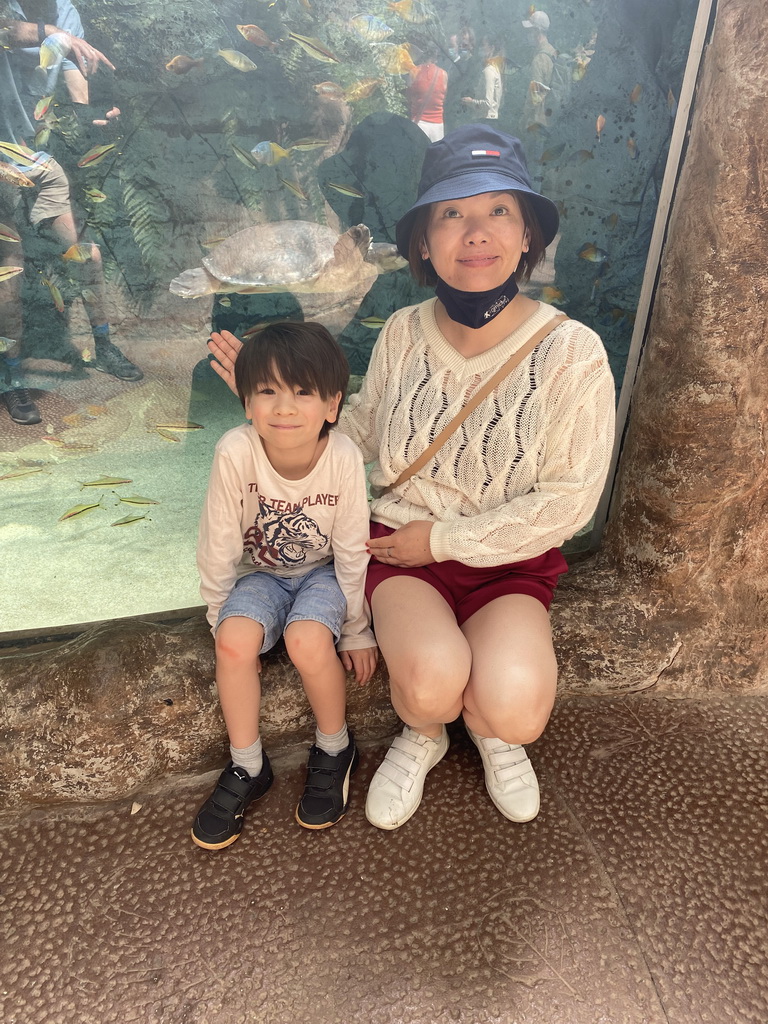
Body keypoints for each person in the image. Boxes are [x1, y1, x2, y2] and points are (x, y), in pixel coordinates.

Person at [207, 124, 616, 832]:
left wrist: (447, 540)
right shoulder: (400, 329)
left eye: (498, 212)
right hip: (401, 553)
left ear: (528, 237)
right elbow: (364, 427)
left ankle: (489, 734)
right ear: (424, 243)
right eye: (451, 213)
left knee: (517, 710)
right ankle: (422, 735)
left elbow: (569, 500)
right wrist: (287, 400)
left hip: (505, 563)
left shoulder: (573, 352)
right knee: (428, 688)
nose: (476, 231)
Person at [192, 321, 378, 849]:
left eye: (302, 392)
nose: (285, 407)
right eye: (267, 391)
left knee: (307, 640)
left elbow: (350, 547)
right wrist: (219, 619)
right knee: (233, 642)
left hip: (320, 574)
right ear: (246, 402)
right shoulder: (235, 451)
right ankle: (248, 765)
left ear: (332, 404)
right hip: (261, 575)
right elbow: (219, 541)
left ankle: (335, 746)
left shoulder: (341, 457)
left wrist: (357, 629)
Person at [0, 0, 141, 427]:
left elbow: (72, 68)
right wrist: (52, 35)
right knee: (10, 268)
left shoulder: (66, 10)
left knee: (84, 255)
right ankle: (12, 374)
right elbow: (6, 30)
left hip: (39, 154)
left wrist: (89, 116)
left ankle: (103, 344)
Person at [522, 10, 557, 127]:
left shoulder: (539, 59)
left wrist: (523, 119)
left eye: (530, 30)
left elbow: (534, 97)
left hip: (537, 121)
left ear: (537, 31)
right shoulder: (552, 51)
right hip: (550, 119)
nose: (527, 34)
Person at [408, 43, 448, 142]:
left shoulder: (414, 72)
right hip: (437, 125)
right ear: (435, 57)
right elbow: (444, 97)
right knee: (436, 155)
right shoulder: (444, 74)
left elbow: (409, 97)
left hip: (418, 122)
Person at [461, 36, 504, 123]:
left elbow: (488, 104)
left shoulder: (489, 71)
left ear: (492, 48)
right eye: (480, 45)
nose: (481, 48)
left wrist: (470, 102)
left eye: (483, 45)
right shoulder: (492, 68)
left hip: (485, 119)